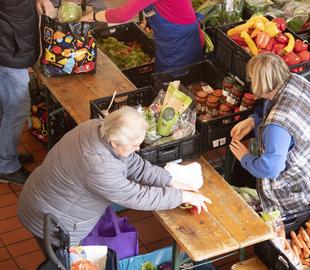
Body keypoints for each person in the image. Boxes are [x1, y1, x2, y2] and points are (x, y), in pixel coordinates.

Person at [17, 107, 211, 254]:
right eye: (134, 144)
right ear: (114, 142)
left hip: (44, 197)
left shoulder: (95, 127)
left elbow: (132, 163)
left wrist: (168, 180)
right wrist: (181, 196)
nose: (137, 149)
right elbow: (136, 196)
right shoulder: (99, 166)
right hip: (51, 219)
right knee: (64, 263)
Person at [229, 53, 310, 216]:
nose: (249, 80)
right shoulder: (296, 81)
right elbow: (272, 106)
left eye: (252, 78)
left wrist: (245, 158)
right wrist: (253, 120)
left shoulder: (277, 126)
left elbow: (271, 168)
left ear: (262, 82)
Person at [0, 0, 56, 185]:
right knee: (17, 110)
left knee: (6, 106)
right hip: (8, 53)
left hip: (13, 46)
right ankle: (7, 166)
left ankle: (5, 154)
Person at [80, 0, 204, 73]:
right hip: (173, 37)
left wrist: (93, 16)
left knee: (174, 84)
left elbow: (123, 15)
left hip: (181, 43)